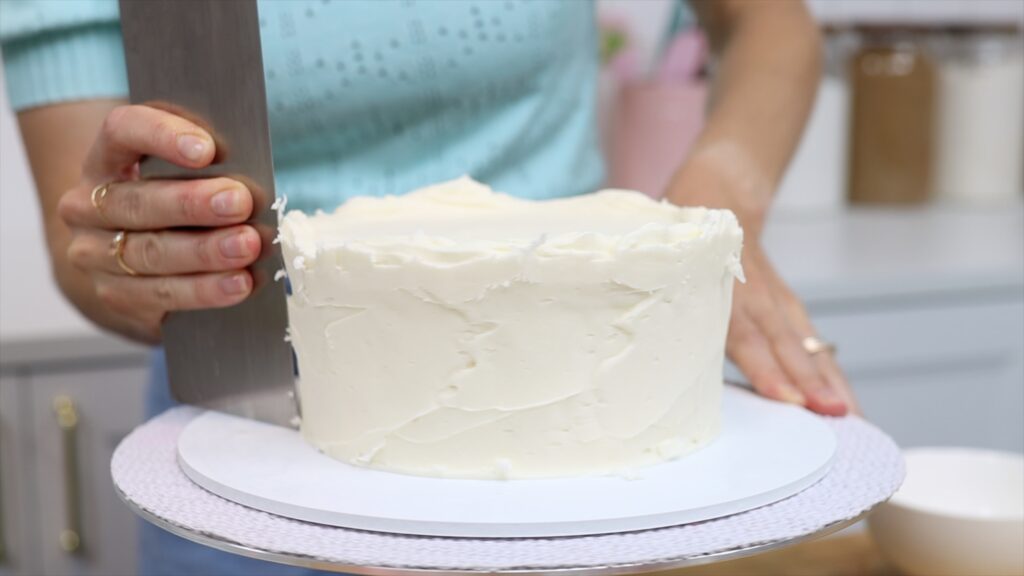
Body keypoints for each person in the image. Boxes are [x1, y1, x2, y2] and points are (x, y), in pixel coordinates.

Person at [2, 1, 856, 574]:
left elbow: (768, 21)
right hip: (253, 414)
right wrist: (137, 252)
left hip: (586, 397)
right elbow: (85, 242)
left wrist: (715, 201)